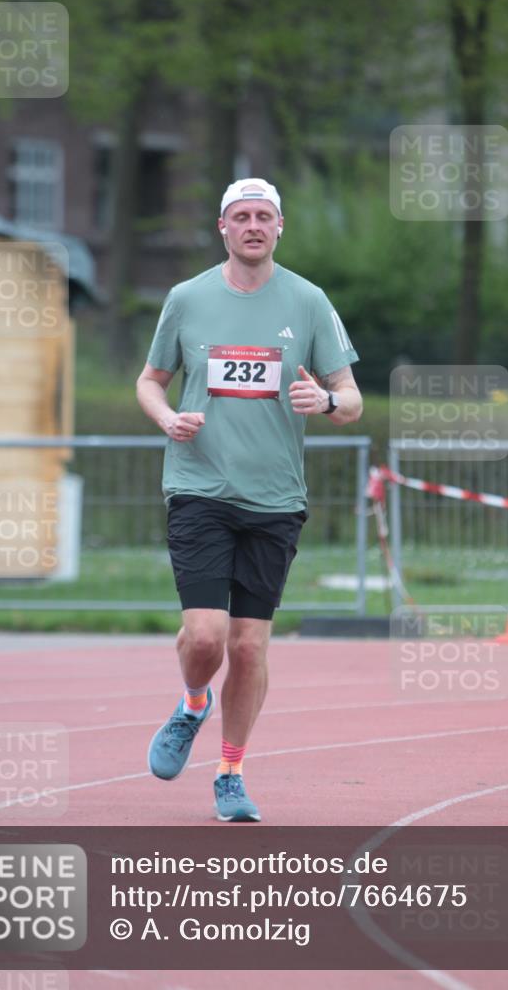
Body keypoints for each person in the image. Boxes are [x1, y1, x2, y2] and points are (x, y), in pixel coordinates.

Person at [136, 177, 362, 822]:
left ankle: (231, 772)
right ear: (223, 227)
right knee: (205, 637)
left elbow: (351, 397)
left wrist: (326, 401)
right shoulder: (186, 298)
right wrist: (166, 417)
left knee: (250, 647)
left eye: (264, 216)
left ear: (279, 227)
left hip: (275, 497)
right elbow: (151, 382)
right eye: (242, 216)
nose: (254, 225)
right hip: (199, 485)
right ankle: (192, 704)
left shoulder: (309, 301)